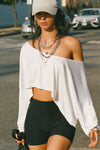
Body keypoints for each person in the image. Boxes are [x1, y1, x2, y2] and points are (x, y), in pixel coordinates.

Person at [16, 0, 99, 150]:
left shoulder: (71, 44)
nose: (42, 18)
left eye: (46, 13)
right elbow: (23, 90)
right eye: (38, 14)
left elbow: (81, 87)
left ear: (55, 13)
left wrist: (91, 123)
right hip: (35, 115)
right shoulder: (26, 49)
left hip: (63, 114)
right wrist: (21, 127)